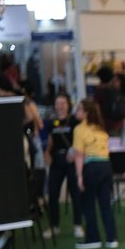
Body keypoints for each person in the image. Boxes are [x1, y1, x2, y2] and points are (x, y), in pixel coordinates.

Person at [72, 98, 118, 249]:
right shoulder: (101, 129)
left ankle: (93, 238)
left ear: (86, 113)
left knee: (88, 203)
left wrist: (79, 176)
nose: (76, 111)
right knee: (106, 204)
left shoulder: (79, 129)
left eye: (79, 109)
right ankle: (111, 238)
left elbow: (78, 155)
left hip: (91, 168)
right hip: (106, 166)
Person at [43, 93, 83, 240]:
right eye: (58, 103)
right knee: (52, 193)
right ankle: (54, 226)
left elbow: (80, 139)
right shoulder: (51, 122)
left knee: (76, 194)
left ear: (68, 105)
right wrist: (47, 153)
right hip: (56, 161)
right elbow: (49, 141)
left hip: (72, 160)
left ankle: (78, 225)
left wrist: (75, 152)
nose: (60, 106)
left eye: (63, 103)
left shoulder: (74, 121)